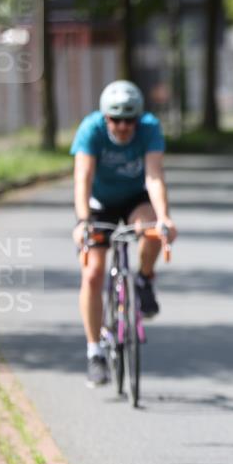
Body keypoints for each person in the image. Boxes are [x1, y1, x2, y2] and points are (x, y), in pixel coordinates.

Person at [70, 80, 177, 387]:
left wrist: (165, 217)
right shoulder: (90, 130)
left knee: (153, 229)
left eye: (130, 119)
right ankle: (94, 352)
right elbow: (83, 178)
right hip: (98, 203)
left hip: (135, 200)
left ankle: (143, 278)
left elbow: (154, 175)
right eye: (116, 120)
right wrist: (82, 221)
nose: (123, 127)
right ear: (105, 118)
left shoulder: (149, 128)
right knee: (93, 273)